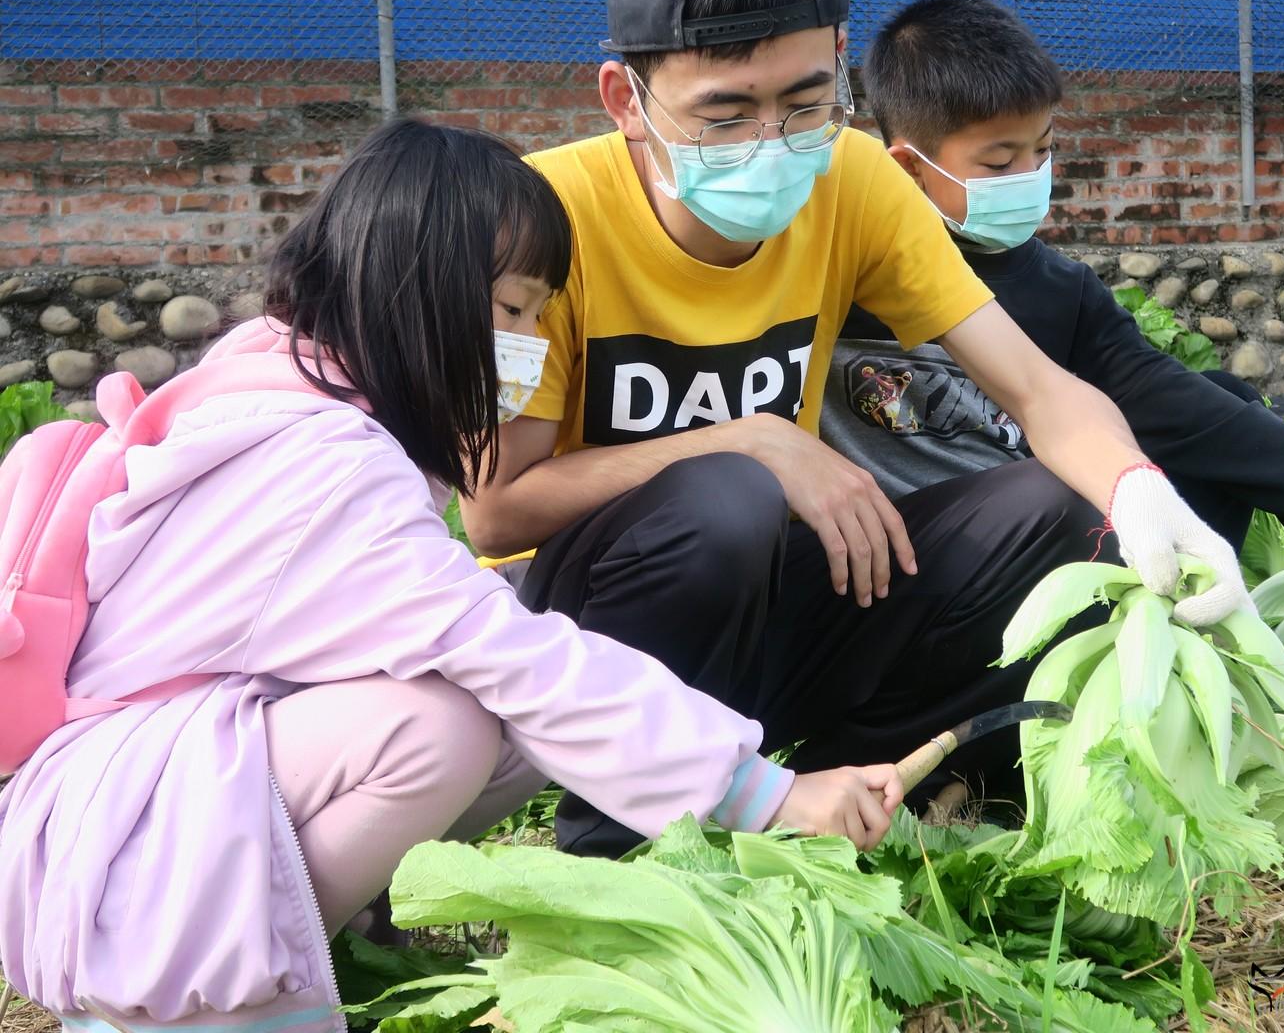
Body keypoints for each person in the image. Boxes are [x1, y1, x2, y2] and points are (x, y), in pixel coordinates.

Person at [0, 121, 904, 1033]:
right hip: (109, 861)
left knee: (496, 715)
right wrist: (771, 798)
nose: (527, 344)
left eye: (537, 314)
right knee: (440, 724)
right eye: (511, 311)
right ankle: (206, 1002)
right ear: (419, 293)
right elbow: (507, 654)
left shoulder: (275, 379)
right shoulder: (327, 465)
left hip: (124, 811)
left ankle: (327, 931)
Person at [463, 0, 1254, 857]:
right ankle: (621, 845)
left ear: (841, 63)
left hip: (762, 600)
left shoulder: (853, 180)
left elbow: (1035, 388)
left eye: (804, 103)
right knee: (728, 497)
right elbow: (495, 513)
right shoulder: (544, 214)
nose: (772, 141)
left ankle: (853, 790)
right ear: (626, 99)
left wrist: (1140, 495)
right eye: (724, 113)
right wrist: (746, 441)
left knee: (1048, 509)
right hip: (586, 650)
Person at [818, 0, 1284, 615]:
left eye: (1043, 150)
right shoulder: (836, 261)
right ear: (905, 167)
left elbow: (1185, 411)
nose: (1030, 177)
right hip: (878, 558)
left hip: (1028, 547)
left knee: (1224, 402)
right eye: (998, 164)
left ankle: (1181, 617)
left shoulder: (1054, 290)